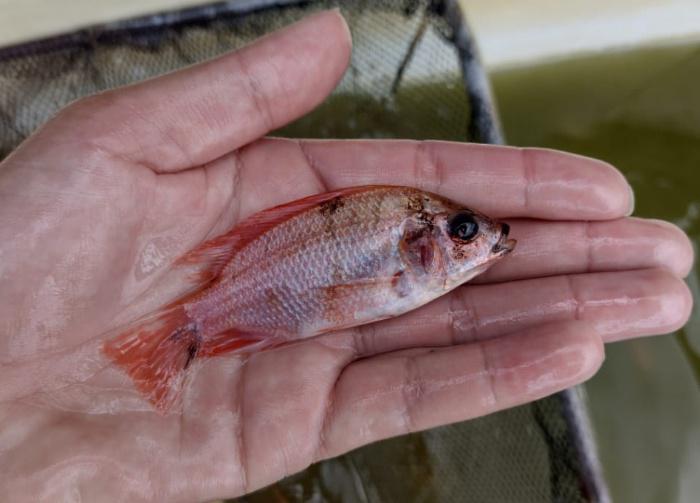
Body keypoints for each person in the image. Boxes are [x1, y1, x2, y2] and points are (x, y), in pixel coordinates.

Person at [0, 10, 693, 502]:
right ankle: (179, 338)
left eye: (470, 233)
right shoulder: (401, 256)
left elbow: (339, 295)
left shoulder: (411, 255)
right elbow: (338, 292)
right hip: (249, 295)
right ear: (423, 240)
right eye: (462, 231)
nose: (478, 243)